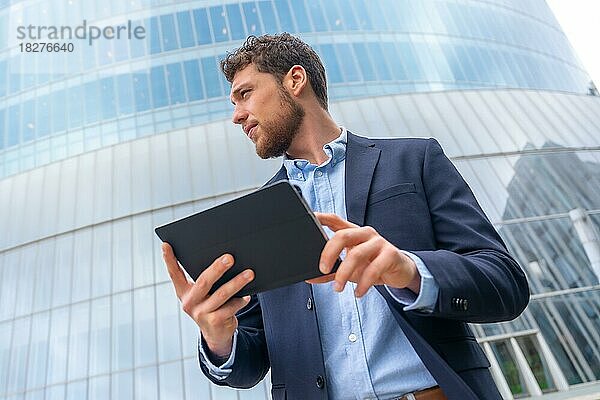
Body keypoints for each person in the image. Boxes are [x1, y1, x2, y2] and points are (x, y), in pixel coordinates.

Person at [161, 33, 529, 400]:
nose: (237, 116)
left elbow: (505, 282)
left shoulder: (413, 161)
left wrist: (410, 270)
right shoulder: (257, 218)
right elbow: (252, 360)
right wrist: (219, 337)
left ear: (295, 80)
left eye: (245, 93)